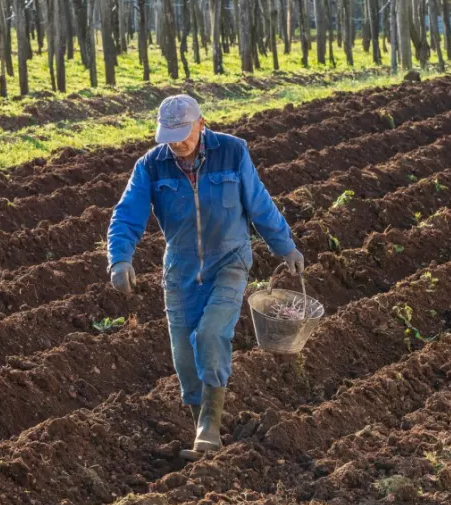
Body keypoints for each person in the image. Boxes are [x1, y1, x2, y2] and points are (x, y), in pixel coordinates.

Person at [106, 94, 304, 459]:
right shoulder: (151, 166)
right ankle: (202, 425)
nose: (177, 142)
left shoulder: (232, 152)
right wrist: (120, 260)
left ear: (201, 124)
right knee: (184, 354)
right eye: (169, 134)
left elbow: (259, 203)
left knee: (211, 333)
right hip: (180, 269)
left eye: (183, 132)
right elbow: (126, 215)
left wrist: (285, 246)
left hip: (229, 260)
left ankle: (210, 427)